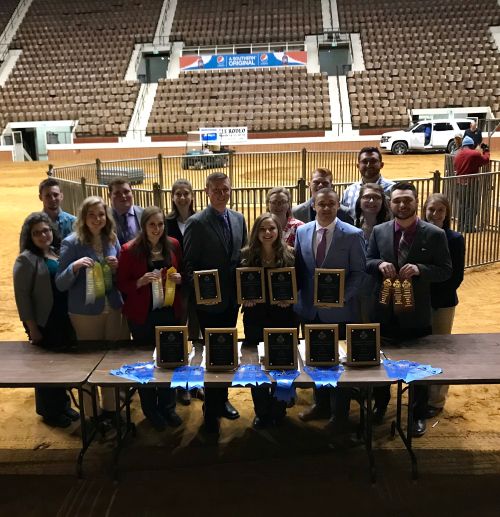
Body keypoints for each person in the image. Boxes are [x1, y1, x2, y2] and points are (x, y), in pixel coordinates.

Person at [366, 182, 452, 437]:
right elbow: (367, 261)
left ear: (417, 202)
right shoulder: (379, 231)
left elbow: (446, 270)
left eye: (407, 200)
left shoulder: (435, 235)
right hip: (383, 310)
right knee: (379, 364)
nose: (402, 205)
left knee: (419, 366)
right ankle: (380, 406)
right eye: (397, 201)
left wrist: (420, 270)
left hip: (417, 314)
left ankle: (416, 414)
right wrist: (379, 264)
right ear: (390, 203)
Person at [294, 188, 366, 430]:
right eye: (321, 204)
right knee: (315, 362)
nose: (325, 208)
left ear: (338, 206)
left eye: (330, 204)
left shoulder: (353, 235)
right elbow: (300, 271)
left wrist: (341, 298)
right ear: (313, 205)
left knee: (338, 365)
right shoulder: (302, 232)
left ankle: (340, 414)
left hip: (340, 312)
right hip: (310, 312)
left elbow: (359, 274)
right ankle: (320, 404)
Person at [183, 172, 247, 433]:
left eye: (225, 189)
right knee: (211, 357)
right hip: (209, 304)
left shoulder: (239, 219)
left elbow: (242, 259)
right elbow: (188, 265)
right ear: (207, 192)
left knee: (226, 354)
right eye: (216, 190)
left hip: (232, 301)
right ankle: (211, 410)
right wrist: (203, 293)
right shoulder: (197, 223)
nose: (221, 194)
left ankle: (222, 401)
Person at [56, 196, 129, 423]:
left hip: (113, 309)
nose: (97, 219)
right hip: (85, 313)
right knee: (88, 363)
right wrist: (74, 267)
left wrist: (117, 267)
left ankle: (111, 408)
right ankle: (91, 413)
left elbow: (119, 277)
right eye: (92, 215)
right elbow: (60, 282)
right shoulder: (72, 242)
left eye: (101, 215)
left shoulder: (112, 239)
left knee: (111, 362)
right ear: (83, 218)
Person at [117, 207, 183, 431]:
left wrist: (179, 278)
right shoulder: (129, 250)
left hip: (168, 313)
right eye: (152, 225)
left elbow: (181, 271)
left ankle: (168, 406)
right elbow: (121, 283)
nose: (157, 229)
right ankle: (150, 409)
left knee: (169, 362)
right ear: (143, 226)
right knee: (145, 365)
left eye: (161, 224)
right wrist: (139, 282)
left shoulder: (173, 244)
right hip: (143, 316)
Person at [13, 212, 78, 428]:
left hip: (61, 317)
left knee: (60, 365)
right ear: (29, 236)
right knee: (46, 367)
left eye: (46, 230)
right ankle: (49, 411)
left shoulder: (55, 252)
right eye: (37, 233)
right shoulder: (25, 259)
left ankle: (63, 405)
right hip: (43, 320)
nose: (43, 235)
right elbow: (22, 297)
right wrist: (32, 328)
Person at [240, 213, 296, 428]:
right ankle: (262, 411)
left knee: (281, 362)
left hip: (283, 318)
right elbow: (240, 285)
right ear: (256, 232)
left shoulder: (290, 255)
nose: (267, 233)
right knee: (256, 366)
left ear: (278, 231)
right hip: (255, 319)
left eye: (271, 228)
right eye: (263, 229)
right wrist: (246, 300)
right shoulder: (246, 256)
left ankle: (279, 407)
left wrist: (289, 301)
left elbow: (296, 285)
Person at [423, 193, 465, 417]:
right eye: (431, 209)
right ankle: (419, 395)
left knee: (439, 350)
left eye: (440, 210)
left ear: (447, 213)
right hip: (418, 303)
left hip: (442, 303)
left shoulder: (455, 238)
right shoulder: (418, 235)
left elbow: (457, 276)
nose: (435, 214)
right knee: (419, 350)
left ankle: (436, 399)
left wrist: (435, 298)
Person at [165, 179, 202, 405]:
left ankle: (196, 382)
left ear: (192, 196)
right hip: (176, 288)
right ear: (172, 197)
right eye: (177, 193)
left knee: (197, 335)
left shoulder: (200, 220)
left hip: (198, 285)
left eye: (186, 193)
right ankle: (180, 386)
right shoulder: (166, 223)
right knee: (179, 335)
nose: (182, 197)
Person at [354, 183, 392, 322]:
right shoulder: (351, 225)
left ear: (383, 201)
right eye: (367, 197)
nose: (371, 201)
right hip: (355, 289)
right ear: (360, 201)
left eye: (376, 197)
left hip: (383, 290)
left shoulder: (392, 227)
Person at [341, 147, 394, 221]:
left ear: (381, 165)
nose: (369, 165)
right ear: (358, 166)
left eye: (373, 161)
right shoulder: (348, 191)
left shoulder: (393, 189)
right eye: (364, 161)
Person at [453, 135, 490, 232]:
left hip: (458, 184)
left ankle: (460, 226)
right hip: (471, 184)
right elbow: (485, 160)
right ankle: (469, 227)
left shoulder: (457, 154)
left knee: (462, 206)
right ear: (471, 145)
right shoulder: (474, 154)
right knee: (472, 205)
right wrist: (486, 151)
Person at [38, 178, 76, 242]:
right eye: (48, 196)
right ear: (40, 197)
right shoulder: (33, 224)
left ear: (61, 196)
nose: (52, 199)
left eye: (55, 195)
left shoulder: (74, 222)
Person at [109, 177, 144, 245]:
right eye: (117, 193)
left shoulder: (144, 214)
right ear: (110, 196)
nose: (123, 196)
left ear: (132, 193)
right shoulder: (104, 218)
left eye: (126, 192)